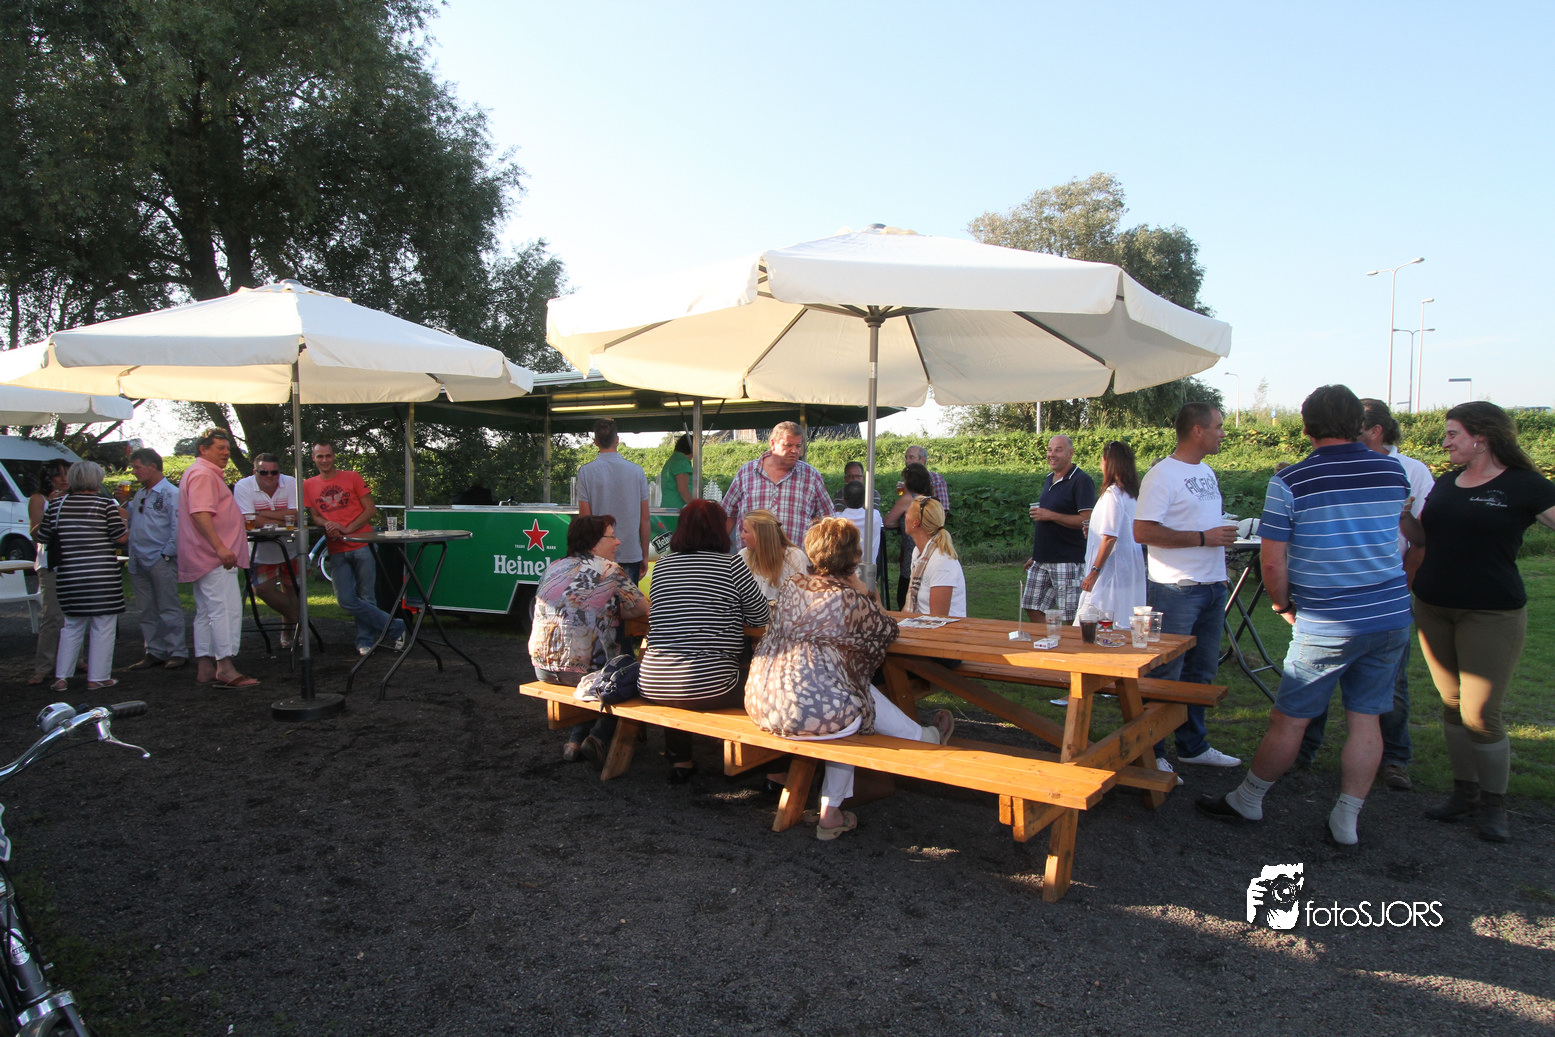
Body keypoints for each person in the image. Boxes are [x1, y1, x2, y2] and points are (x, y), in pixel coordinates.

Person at [1196, 385, 1413, 847]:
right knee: (1366, 720)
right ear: (1357, 424)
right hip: (1390, 613)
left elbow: (1273, 562)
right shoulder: (1392, 471)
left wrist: (1281, 605)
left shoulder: (1292, 481)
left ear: (1306, 426)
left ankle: (1249, 799)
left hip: (1329, 619)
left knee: (1290, 718)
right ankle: (1347, 819)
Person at [745, 518, 954, 839]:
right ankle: (921, 739)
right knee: (850, 700)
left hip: (766, 700)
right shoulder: (850, 601)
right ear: (854, 556)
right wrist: (866, 593)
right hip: (810, 712)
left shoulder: (792, 587)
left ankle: (922, 737)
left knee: (848, 690)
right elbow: (887, 632)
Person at [1404, 402, 1555, 843]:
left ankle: (1494, 804)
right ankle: (1464, 794)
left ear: (1482, 438)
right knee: (1452, 704)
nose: (1445, 442)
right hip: (1433, 606)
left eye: (1453, 433)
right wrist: (1405, 518)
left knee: (1481, 713)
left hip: (1490, 611)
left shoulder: (1525, 484)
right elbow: (1425, 537)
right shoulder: (1448, 482)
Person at [1298, 399, 1435, 789]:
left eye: (1355, 426)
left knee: (1390, 685)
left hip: (1385, 595)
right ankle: (1302, 752)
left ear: (1375, 431)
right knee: (1315, 679)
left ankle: (1395, 759)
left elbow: (1421, 540)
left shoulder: (1410, 470)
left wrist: (1404, 586)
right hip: (1333, 597)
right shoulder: (1331, 465)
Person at [1133, 403, 1242, 770]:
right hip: (1175, 590)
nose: (1223, 433)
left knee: (1201, 673)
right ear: (1197, 430)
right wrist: (1202, 537)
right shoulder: (1162, 475)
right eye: (1218, 426)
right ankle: (1154, 754)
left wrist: (1217, 535)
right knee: (1166, 673)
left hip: (1212, 585)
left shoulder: (1206, 471)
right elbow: (1142, 531)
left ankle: (1193, 746)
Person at [640, 500, 771, 783]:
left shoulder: (662, 566)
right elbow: (761, 616)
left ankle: (681, 761)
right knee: (769, 686)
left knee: (682, 670)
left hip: (652, 681)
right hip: (713, 685)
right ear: (718, 530)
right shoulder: (731, 564)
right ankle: (777, 772)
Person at [528, 513, 649, 768]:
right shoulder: (609, 569)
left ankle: (574, 742)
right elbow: (643, 610)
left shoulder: (554, 566)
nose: (618, 542)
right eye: (611, 536)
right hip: (582, 671)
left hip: (542, 669)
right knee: (636, 678)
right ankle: (599, 738)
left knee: (595, 676)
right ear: (594, 543)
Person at [305, 440, 406, 657]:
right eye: (320, 456)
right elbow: (315, 516)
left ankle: (365, 642)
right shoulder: (308, 485)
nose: (324, 460)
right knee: (345, 600)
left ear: (334, 456)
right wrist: (328, 524)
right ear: (313, 458)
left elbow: (370, 510)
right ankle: (395, 625)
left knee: (367, 596)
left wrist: (347, 529)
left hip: (363, 542)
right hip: (336, 547)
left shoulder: (352, 477)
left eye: (328, 455)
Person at [177, 427, 259, 688]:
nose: (226, 453)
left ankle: (205, 666)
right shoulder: (203, 474)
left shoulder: (199, 472)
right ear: (203, 449)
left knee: (206, 611)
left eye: (227, 449)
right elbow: (200, 512)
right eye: (220, 448)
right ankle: (225, 667)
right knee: (224, 610)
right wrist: (221, 547)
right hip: (213, 557)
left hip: (203, 555)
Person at [36, 461, 127, 691]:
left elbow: (43, 536)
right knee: (103, 626)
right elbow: (120, 537)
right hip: (102, 576)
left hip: (69, 575)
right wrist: (124, 519)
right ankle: (98, 677)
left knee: (71, 626)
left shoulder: (56, 504)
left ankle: (61, 677)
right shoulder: (105, 504)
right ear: (96, 480)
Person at [123, 447, 187, 670]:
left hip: (160, 558)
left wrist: (166, 553)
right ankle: (154, 650)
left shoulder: (171, 493)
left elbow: (178, 527)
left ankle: (177, 651)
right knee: (146, 609)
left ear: (152, 466)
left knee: (168, 606)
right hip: (138, 558)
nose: (134, 472)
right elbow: (133, 520)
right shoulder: (141, 493)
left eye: (137, 467)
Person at [722, 421, 832, 549]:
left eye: (798, 446)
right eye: (788, 445)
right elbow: (727, 513)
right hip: (751, 558)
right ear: (773, 444)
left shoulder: (811, 475)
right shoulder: (746, 472)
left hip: (794, 558)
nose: (794, 451)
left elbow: (827, 518)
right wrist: (718, 548)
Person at [1022, 435, 1096, 623]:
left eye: (1058, 450)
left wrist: (1051, 515)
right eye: (1049, 449)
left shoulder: (1081, 480)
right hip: (1043, 558)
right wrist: (1037, 555)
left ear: (1070, 453)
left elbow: (1087, 520)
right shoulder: (1049, 479)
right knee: (1031, 606)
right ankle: (1051, 636)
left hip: (1068, 559)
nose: (1052, 454)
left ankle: (1069, 642)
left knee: (1071, 616)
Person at [1075, 441, 1146, 629]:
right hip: (1127, 570)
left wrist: (1094, 572)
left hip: (1109, 573)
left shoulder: (1113, 494)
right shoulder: (1131, 495)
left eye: (1102, 459)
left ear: (1109, 463)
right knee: (1119, 621)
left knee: (1089, 625)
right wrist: (1093, 531)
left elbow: (1110, 537)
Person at [233, 452, 300, 648]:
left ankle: (289, 634)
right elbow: (248, 520)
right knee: (262, 589)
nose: (269, 476)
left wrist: (262, 514)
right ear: (255, 472)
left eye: (274, 472)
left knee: (292, 589)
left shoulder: (290, 482)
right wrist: (282, 519)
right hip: (259, 549)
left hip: (290, 546)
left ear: (279, 472)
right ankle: (300, 621)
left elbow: (296, 515)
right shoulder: (243, 486)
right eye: (264, 472)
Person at [575, 418, 651, 586]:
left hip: (598, 553)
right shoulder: (637, 471)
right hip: (631, 552)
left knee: (600, 601)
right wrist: (644, 555)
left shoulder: (585, 472)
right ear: (617, 440)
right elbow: (645, 518)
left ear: (595, 442)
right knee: (628, 602)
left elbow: (585, 519)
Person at [27, 458, 71, 685]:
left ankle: (75, 659)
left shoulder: (75, 496)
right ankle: (43, 665)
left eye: (67, 473)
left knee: (74, 615)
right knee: (52, 616)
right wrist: (51, 508)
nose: (64, 479)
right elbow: (35, 534)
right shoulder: (39, 499)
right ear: (48, 477)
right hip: (50, 563)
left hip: (73, 562)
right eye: (58, 474)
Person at [903, 496, 966, 618]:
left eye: (908, 513)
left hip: (943, 628)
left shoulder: (941, 561)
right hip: (920, 623)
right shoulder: (918, 552)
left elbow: (938, 618)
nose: (905, 516)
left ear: (916, 522)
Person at [884, 463, 936, 608]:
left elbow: (888, 521)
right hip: (930, 551)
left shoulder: (908, 498)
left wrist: (902, 523)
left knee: (905, 594)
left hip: (912, 551)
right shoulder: (930, 498)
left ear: (909, 482)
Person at [738, 508, 811, 601]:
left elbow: (803, 598)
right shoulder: (744, 556)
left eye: (745, 531)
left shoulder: (795, 557)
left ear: (761, 535)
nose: (741, 536)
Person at [836, 480, 884, 576]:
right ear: (865, 499)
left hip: (843, 572)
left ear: (843, 500)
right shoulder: (874, 516)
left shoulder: (836, 520)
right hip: (869, 573)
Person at [659, 434, 694, 512]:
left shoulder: (673, 459)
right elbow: (683, 489)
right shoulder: (682, 462)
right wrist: (695, 507)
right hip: (678, 510)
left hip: (669, 508)